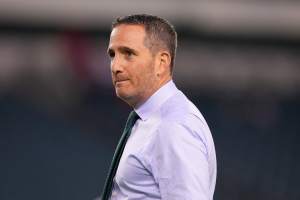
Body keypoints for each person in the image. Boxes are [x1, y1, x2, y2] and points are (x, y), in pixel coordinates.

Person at [101, 14, 217, 200]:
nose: (116, 66)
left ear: (161, 63)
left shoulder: (172, 126)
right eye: (113, 55)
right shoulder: (149, 119)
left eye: (128, 54)